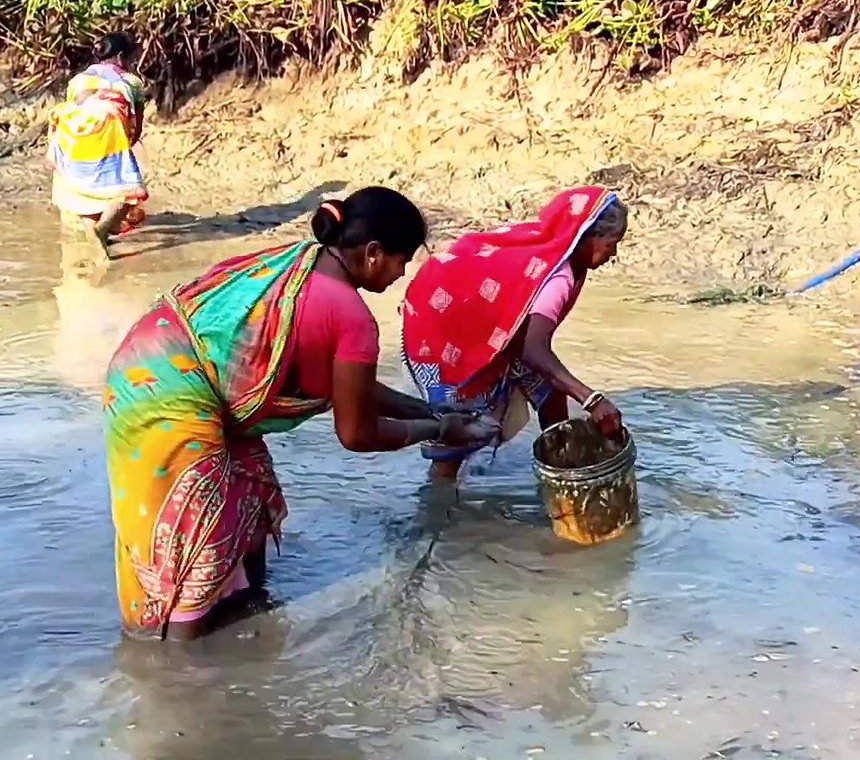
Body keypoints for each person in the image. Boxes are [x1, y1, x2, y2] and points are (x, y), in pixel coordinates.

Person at [103, 186, 495, 640]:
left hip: (152, 357)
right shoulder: (352, 318)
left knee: (248, 493)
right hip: (165, 395)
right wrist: (439, 427)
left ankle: (249, 618)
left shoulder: (301, 263)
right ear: (372, 253)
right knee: (197, 542)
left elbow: (353, 388)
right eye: (402, 260)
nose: (401, 273)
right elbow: (357, 433)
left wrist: (431, 408)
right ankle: (182, 677)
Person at [400, 185, 628, 482]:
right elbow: (535, 351)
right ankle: (436, 509)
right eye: (612, 243)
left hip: (493, 327)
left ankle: (561, 466)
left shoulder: (549, 247)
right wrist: (592, 400)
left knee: (552, 392)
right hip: (447, 333)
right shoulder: (556, 279)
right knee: (457, 431)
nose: (614, 254)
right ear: (588, 237)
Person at [47, 32, 150, 273]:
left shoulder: (79, 80)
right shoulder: (131, 81)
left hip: (71, 138)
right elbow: (136, 123)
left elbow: (75, 110)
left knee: (82, 192)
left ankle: (97, 241)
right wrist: (123, 147)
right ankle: (102, 230)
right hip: (107, 133)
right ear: (122, 56)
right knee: (129, 190)